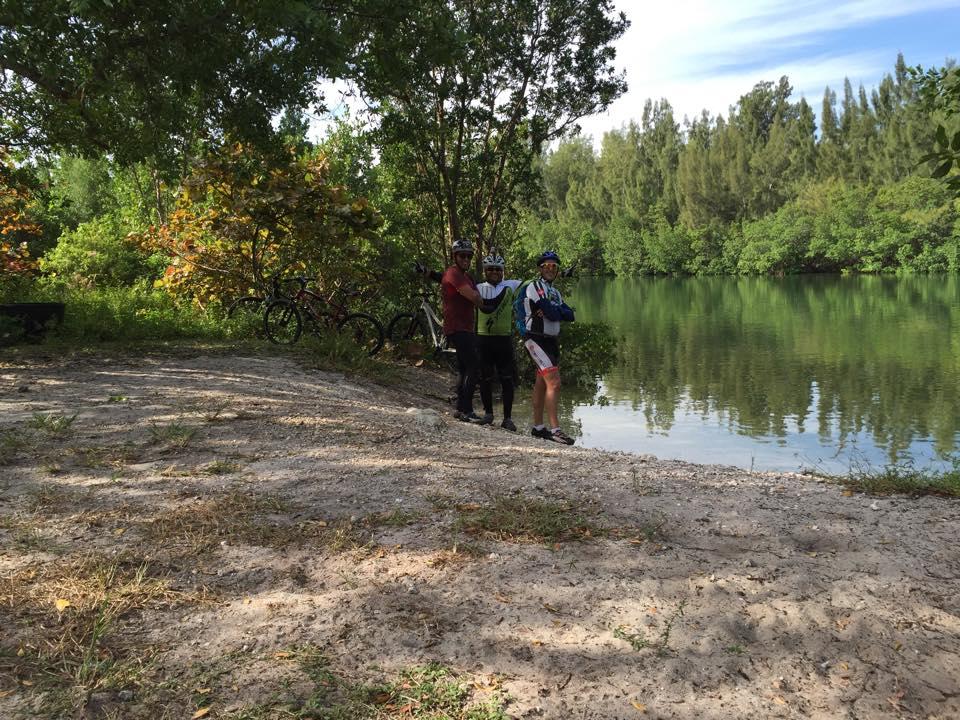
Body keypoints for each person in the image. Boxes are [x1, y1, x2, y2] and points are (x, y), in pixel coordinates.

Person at [522, 250, 576, 444]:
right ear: (540, 268)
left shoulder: (555, 291)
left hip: (551, 341)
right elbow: (552, 313)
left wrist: (557, 310)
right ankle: (556, 430)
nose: (550, 269)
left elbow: (570, 315)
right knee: (554, 383)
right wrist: (556, 311)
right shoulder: (535, 286)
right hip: (536, 338)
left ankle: (538, 427)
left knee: (541, 383)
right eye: (547, 266)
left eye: (554, 266)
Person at [440, 239, 487, 423]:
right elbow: (474, 297)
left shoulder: (467, 277)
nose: (466, 259)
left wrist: (477, 298)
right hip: (457, 327)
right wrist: (476, 298)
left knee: (463, 367)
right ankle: (467, 409)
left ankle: (460, 409)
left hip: (465, 327)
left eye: (469, 256)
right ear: (455, 257)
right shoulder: (453, 273)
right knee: (473, 366)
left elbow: (478, 298)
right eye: (462, 255)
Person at [476, 252, 523, 431]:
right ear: (485, 271)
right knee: (485, 378)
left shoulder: (511, 285)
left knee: (507, 379)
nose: (494, 272)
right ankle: (488, 414)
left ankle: (508, 418)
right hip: (483, 339)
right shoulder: (478, 287)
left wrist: (561, 274)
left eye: (498, 269)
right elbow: (453, 283)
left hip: (504, 339)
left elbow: (535, 283)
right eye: (491, 269)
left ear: (503, 271)